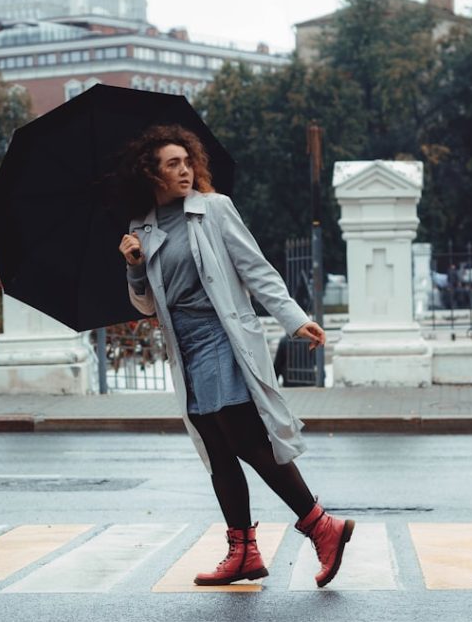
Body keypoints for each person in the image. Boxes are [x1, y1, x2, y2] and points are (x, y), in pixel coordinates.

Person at [116, 124, 354, 588]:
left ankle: (320, 526)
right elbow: (146, 305)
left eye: (187, 162)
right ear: (151, 174)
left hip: (222, 338)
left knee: (246, 440)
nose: (184, 171)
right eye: (172, 165)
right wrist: (134, 268)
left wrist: (293, 318)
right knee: (218, 451)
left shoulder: (214, 210)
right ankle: (243, 551)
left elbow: (256, 270)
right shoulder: (138, 230)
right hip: (184, 349)